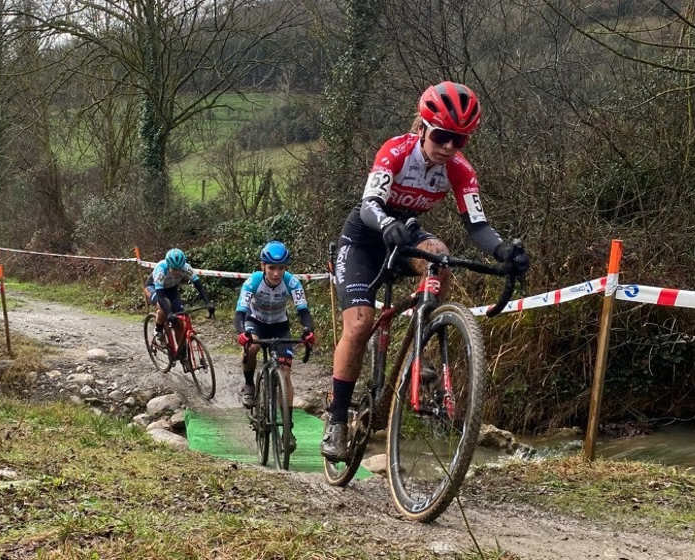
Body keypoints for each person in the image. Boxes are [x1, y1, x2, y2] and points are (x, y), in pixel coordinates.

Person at [320, 81, 530, 460]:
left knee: (440, 256)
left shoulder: (460, 171)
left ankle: (423, 344)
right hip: (365, 239)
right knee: (359, 324)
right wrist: (385, 224)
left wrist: (502, 250)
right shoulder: (396, 151)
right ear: (422, 128)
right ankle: (336, 418)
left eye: (460, 140)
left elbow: (477, 225)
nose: (449, 147)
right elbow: (369, 205)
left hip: (406, 236)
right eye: (443, 136)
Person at [234, 241, 315, 449]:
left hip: (280, 325)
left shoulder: (292, 282)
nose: (277, 273)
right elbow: (240, 313)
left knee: (285, 371)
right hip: (255, 322)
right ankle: (249, 384)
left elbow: (303, 312)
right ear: (263, 266)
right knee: (252, 348)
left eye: (281, 268)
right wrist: (242, 332)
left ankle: (288, 428)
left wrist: (308, 330)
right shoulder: (253, 282)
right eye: (272, 268)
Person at [143, 248, 214, 360]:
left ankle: (180, 352)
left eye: (179, 269)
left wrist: (208, 302)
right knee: (164, 307)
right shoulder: (161, 270)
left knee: (179, 322)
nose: (176, 272)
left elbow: (199, 286)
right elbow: (161, 296)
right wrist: (169, 312)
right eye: (174, 269)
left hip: (171, 289)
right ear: (168, 265)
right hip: (153, 288)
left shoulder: (186, 268)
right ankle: (158, 329)